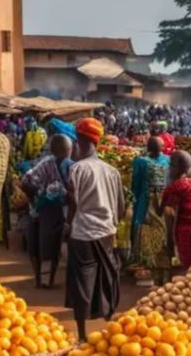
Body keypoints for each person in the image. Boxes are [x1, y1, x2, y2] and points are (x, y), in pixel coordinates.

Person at [65, 117, 124, 341]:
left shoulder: (77, 169)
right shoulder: (112, 171)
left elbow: (72, 203)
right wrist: (112, 223)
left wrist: (68, 226)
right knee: (106, 277)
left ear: (79, 139)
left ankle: (82, 335)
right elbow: (120, 206)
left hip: (83, 233)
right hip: (107, 232)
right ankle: (111, 331)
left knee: (81, 282)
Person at [21, 134, 73, 288]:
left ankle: (38, 279)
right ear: (67, 150)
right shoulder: (70, 165)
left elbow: (25, 182)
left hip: (37, 210)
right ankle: (50, 280)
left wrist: (34, 201)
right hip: (54, 211)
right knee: (53, 246)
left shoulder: (43, 163)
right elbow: (72, 193)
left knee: (35, 245)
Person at [162, 151, 191, 270]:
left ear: (178, 168)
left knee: (186, 267)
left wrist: (170, 240)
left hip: (183, 234)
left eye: (171, 165)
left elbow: (169, 213)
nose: (169, 168)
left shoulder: (175, 187)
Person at [130, 137, 169, 266]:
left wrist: (133, 198)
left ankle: (142, 257)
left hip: (144, 199)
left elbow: (135, 182)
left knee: (141, 225)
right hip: (162, 200)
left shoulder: (140, 162)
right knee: (160, 225)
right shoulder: (167, 160)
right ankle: (159, 254)